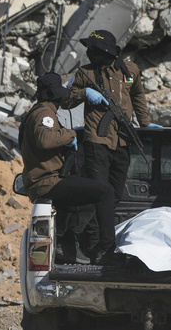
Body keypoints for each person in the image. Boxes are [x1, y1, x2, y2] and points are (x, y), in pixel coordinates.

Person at [63, 29, 158, 257]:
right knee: (99, 193)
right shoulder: (85, 74)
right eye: (90, 50)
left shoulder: (130, 70)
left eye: (95, 51)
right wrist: (84, 93)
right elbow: (65, 99)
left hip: (123, 140)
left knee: (113, 194)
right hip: (97, 140)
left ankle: (91, 232)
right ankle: (94, 245)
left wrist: (145, 122)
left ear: (108, 52)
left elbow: (138, 95)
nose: (91, 54)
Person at [19, 72, 117, 264]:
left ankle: (67, 245)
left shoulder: (42, 110)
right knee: (105, 192)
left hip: (48, 180)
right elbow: (45, 140)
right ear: (54, 95)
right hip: (47, 181)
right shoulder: (44, 113)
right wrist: (70, 135)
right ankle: (108, 248)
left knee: (88, 198)